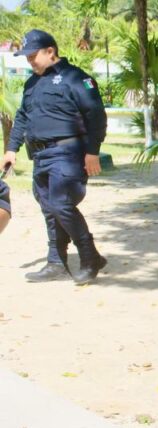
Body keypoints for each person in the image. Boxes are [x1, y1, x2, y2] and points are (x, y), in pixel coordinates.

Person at [4, 29, 107, 284]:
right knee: (49, 207)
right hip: (40, 155)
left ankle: (89, 255)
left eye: (33, 55)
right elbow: (22, 118)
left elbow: (96, 115)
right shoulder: (32, 83)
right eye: (26, 57)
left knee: (61, 203)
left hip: (69, 152)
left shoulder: (76, 79)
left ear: (50, 51)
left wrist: (93, 152)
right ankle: (56, 262)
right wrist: (11, 149)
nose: (30, 61)